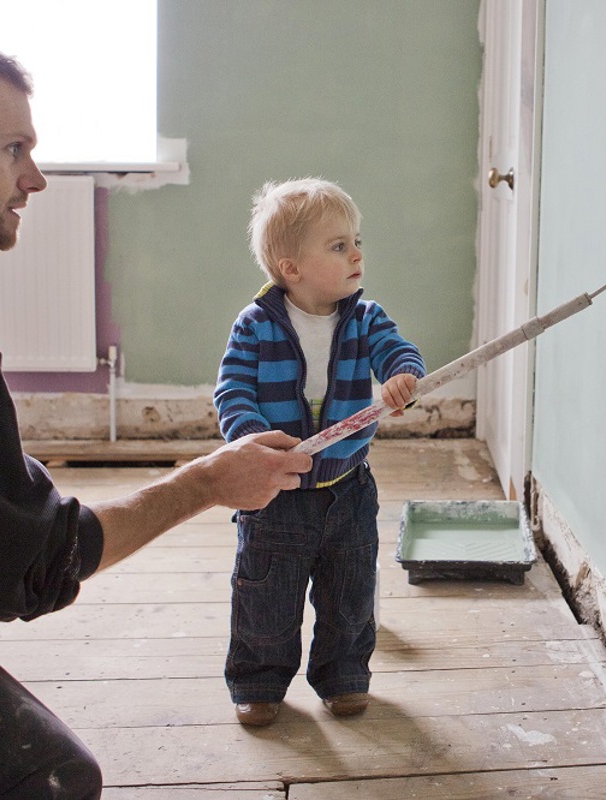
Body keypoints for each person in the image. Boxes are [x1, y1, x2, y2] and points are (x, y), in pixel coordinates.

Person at [0, 37, 311, 799]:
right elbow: (30, 563)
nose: (35, 179)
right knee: (50, 777)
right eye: (13, 148)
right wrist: (208, 481)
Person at [214, 178, 425, 726]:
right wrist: (254, 438)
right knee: (266, 597)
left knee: (350, 595)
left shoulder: (365, 318)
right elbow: (233, 391)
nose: (356, 253)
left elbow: (397, 351)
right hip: (276, 490)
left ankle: (344, 676)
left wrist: (403, 376)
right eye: (338, 246)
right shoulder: (256, 326)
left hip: (347, 487)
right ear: (291, 268)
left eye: (356, 240)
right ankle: (259, 682)